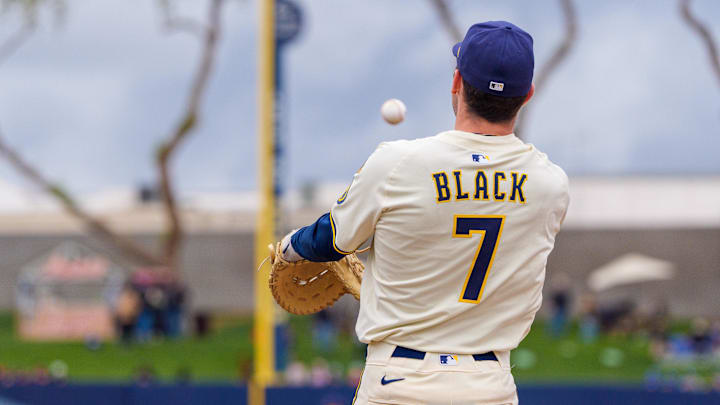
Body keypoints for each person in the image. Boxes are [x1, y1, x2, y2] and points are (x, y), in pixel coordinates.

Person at [280, 21, 569, 404]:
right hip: (489, 386)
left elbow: (330, 239)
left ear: (457, 81)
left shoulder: (397, 164)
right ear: (527, 94)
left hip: (399, 382)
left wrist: (288, 248)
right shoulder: (550, 185)